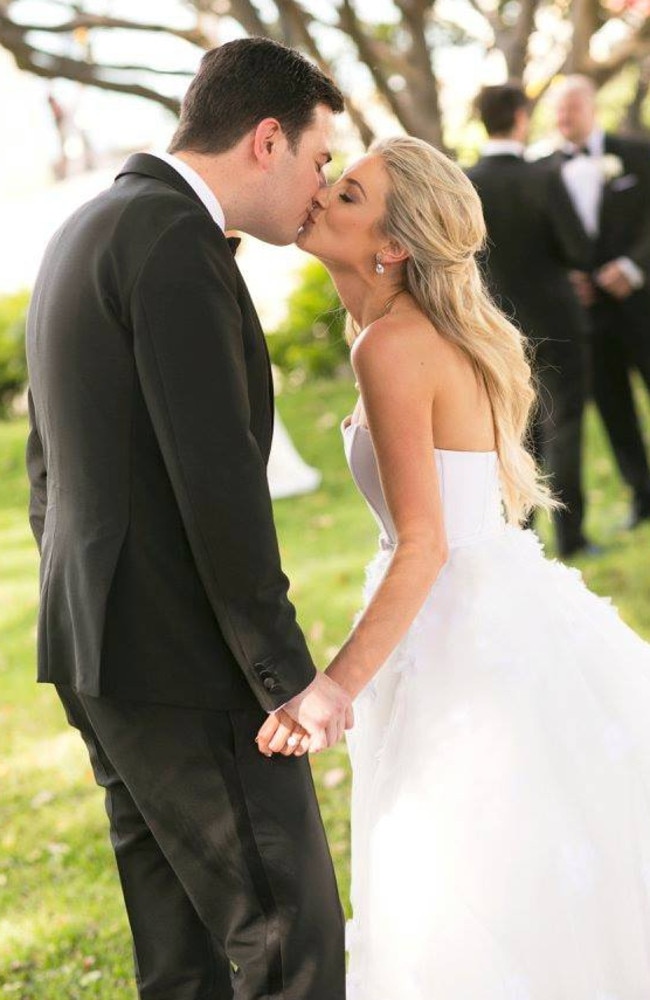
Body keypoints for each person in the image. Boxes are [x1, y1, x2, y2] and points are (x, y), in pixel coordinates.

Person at [258, 136, 650, 998]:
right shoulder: (401, 333)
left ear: (393, 246)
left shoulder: (392, 345)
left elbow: (424, 542)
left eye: (349, 194)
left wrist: (335, 688)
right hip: (490, 607)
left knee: (463, 882)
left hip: (461, 639)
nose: (322, 194)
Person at [26, 39, 352, 1000]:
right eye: (319, 157)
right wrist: (282, 677)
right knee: (292, 937)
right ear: (266, 140)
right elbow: (219, 492)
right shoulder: (173, 243)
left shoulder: (90, 226)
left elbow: (47, 471)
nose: (321, 184)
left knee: (185, 961)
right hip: (187, 663)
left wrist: (82, 613)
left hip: (102, 651)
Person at [468, 83, 592, 558]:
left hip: (495, 326)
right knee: (567, 422)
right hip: (557, 317)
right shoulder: (545, 176)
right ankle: (572, 536)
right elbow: (577, 248)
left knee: (517, 430)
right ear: (520, 117)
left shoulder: (464, 181)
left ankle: (520, 535)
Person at [547, 74, 650, 528]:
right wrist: (569, 280)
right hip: (589, 314)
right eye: (558, 110)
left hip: (643, 300)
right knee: (614, 409)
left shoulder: (637, 155)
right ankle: (642, 494)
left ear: (592, 108)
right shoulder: (545, 170)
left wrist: (632, 266)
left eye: (571, 108)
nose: (563, 118)